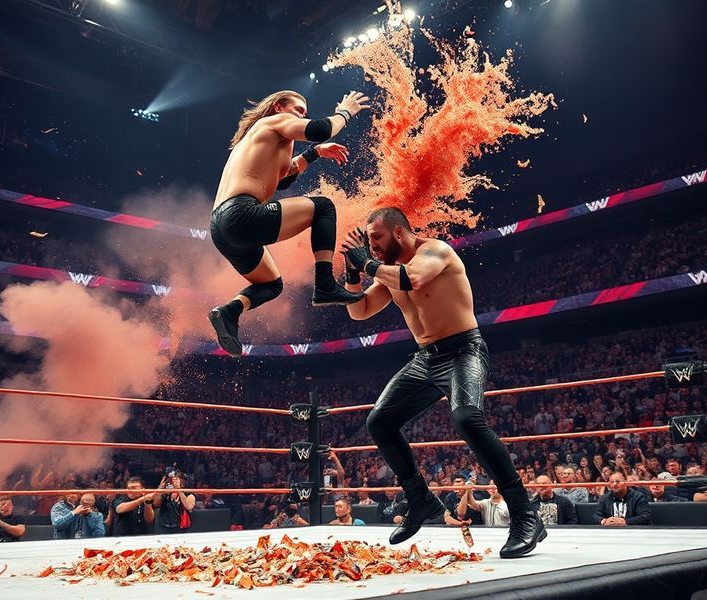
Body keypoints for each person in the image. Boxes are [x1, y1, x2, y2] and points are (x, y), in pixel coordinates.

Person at [341, 206, 544, 558]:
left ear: (399, 233)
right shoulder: (388, 271)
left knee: (466, 418)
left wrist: (368, 264)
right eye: (368, 240)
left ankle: (526, 515)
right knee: (380, 422)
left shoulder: (434, 251)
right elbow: (359, 311)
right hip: (425, 358)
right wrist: (352, 272)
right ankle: (419, 498)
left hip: (463, 348)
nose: (372, 245)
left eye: (377, 238)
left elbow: (412, 280)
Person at [208, 90, 371, 356]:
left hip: (222, 228)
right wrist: (346, 111)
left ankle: (229, 312)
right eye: (298, 110)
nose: (302, 116)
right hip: (241, 214)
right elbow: (322, 128)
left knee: (272, 284)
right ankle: (325, 284)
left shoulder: (265, 140)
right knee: (323, 207)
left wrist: (315, 153)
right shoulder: (274, 122)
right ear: (278, 107)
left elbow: (283, 177)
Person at [153, 470, 196, 534]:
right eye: (172, 480)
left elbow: (188, 507)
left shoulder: (189, 495)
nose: (173, 482)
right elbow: (156, 504)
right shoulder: (166, 494)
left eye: (176, 480)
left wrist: (178, 489)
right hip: (163, 526)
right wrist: (160, 489)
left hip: (180, 528)